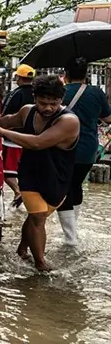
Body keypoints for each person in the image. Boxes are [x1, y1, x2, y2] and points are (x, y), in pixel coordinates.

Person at [0, 74, 80, 272]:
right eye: (42, 103)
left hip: (58, 177)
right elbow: (9, 120)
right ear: (34, 98)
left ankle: (22, 249)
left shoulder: (69, 121)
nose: (47, 108)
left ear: (61, 100)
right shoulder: (27, 111)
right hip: (30, 174)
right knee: (38, 216)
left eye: (53, 103)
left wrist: (5, 133)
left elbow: (38, 143)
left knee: (35, 217)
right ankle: (40, 263)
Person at [57, 57, 111, 246]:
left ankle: (70, 237)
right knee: (77, 185)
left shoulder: (59, 92)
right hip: (88, 148)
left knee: (64, 188)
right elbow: (108, 118)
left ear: (66, 74)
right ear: (86, 74)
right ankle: (73, 228)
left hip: (63, 147)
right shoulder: (96, 92)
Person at [1, 64, 35, 205]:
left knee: (5, 171)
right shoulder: (38, 94)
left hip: (13, 140)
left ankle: (17, 192)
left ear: (18, 78)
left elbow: (5, 115)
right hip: (34, 140)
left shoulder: (16, 93)